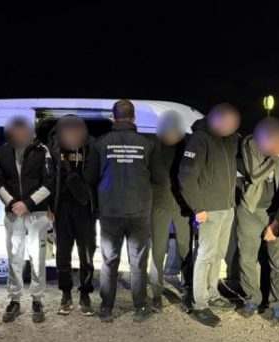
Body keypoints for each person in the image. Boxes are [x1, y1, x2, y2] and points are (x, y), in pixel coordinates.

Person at [85, 99, 155, 323]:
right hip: (139, 211)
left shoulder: (101, 144)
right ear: (134, 117)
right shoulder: (147, 144)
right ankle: (140, 307)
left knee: (109, 261)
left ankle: (106, 308)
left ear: (114, 118)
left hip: (110, 211)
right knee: (138, 262)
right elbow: (155, 177)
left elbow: (90, 177)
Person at [236, 117, 279, 321]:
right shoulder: (250, 143)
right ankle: (251, 299)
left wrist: (277, 220)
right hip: (251, 210)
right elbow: (255, 176)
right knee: (247, 259)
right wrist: (275, 156)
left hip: (275, 213)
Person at [178, 103, 241, 327]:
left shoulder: (228, 140)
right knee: (205, 257)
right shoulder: (200, 139)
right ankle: (200, 304)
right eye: (227, 122)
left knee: (218, 255)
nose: (231, 127)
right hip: (209, 210)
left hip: (227, 208)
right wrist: (198, 208)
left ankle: (213, 294)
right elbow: (186, 176)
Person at [0, 117, 54, 323]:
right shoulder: (2, 152)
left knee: (37, 257)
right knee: (14, 257)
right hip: (14, 212)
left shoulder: (42, 151)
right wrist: (14, 203)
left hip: (36, 212)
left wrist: (28, 204)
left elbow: (49, 182)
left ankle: (37, 300)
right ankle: (15, 300)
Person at [49, 115, 97, 316]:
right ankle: (66, 294)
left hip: (84, 207)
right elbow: (50, 178)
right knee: (63, 253)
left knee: (87, 253)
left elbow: (95, 177)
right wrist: (49, 206)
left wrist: (95, 206)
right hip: (61, 208)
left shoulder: (90, 147)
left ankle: (85, 294)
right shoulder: (54, 148)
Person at [149, 111, 191, 310]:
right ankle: (156, 293)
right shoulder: (154, 147)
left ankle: (188, 290)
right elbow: (148, 174)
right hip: (159, 205)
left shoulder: (187, 146)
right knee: (158, 251)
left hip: (182, 207)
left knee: (185, 250)